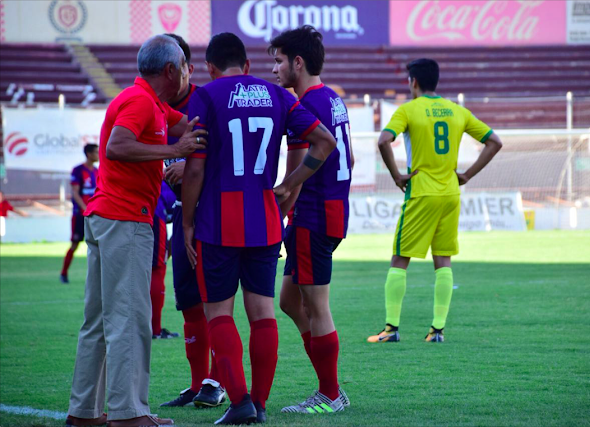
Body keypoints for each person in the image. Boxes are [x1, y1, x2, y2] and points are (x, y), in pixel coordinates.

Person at [181, 32, 336, 425]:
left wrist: (186, 221)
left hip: (217, 223)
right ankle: (260, 403)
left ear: (210, 69)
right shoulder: (280, 96)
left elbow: (195, 168)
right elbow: (324, 142)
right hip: (265, 221)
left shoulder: (207, 95)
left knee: (219, 312)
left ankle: (239, 403)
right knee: (262, 312)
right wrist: (290, 183)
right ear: (247, 66)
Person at [65, 34, 207, 427]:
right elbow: (117, 145)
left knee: (98, 322)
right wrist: (173, 153)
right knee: (129, 319)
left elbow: (194, 125)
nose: (188, 74)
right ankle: (128, 415)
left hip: (109, 218)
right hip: (125, 220)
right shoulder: (141, 101)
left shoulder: (153, 103)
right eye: (184, 67)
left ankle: (85, 413)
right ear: (170, 70)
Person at [367, 58, 502, 344]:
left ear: (412, 82)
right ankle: (437, 331)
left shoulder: (408, 110)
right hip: (451, 193)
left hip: (421, 191)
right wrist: (466, 175)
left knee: (400, 258)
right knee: (443, 261)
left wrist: (396, 175)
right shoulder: (457, 111)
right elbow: (494, 141)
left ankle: (391, 329)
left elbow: (383, 140)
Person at [269, 25, 353, 414]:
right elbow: (348, 160)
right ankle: (329, 385)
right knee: (289, 300)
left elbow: (301, 169)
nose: (274, 70)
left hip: (313, 216)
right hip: (332, 212)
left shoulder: (303, 106)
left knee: (317, 306)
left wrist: (286, 194)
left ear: (297, 63)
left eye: (279, 60)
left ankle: (330, 394)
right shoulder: (333, 99)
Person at [159, 33, 226, 409]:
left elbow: (236, 156)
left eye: (173, 68)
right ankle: (198, 383)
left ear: (186, 67)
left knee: (215, 299)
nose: (166, 78)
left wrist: (192, 165)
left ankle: (218, 381)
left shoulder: (208, 100)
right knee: (188, 302)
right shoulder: (152, 104)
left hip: (212, 217)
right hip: (176, 217)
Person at [60, 144, 99, 284]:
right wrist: (85, 209)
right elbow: (75, 193)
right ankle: (64, 273)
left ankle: (97, 277)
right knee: (75, 245)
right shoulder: (78, 170)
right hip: (80, 215)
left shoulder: (97, 171)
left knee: (98, 245)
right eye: (96, 152)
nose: (98, 154)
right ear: (88, 154)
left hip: (94, 215)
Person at [150, 181, 179, 339]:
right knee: (157, 270)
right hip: (154, 211)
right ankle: (154, 329)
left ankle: (150, 327)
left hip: (140, 210)